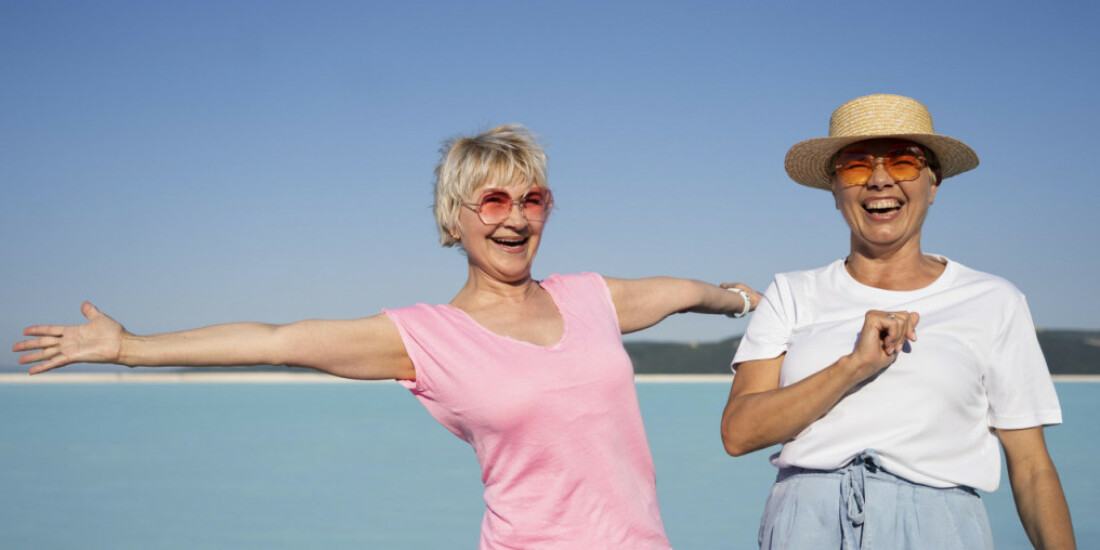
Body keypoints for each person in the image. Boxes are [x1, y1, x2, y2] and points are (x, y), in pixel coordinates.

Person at [15, 124, 761, 550]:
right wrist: (130, 348)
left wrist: (738, 300)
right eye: (492, 198)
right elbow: (277, 340)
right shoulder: (426, 338)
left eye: (532, 198)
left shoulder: (593, 298)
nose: (516, 216)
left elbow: (682, 293)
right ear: (455, 219)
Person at [720, 94, 1075, 549]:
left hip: (940, 528)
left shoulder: (994, 301)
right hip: (802, 526)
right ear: (834, 188)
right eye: (855, 165)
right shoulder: (791, 293)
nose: (880, 180)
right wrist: (853, 366)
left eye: (905, 162)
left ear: (934, 183)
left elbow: (1031, 466)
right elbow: (738, 432)